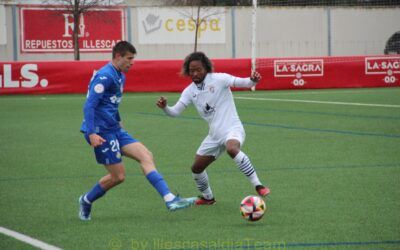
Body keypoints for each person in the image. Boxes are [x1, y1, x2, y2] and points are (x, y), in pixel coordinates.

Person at [79, 41, 196, 221]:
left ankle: (169, 199)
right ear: (118, 56)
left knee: (146, 155)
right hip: (100, 132)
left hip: (115, 129)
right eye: (129, 58)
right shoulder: (104, 76)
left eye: (133, 58)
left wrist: (119, 123)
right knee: (118, 177)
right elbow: (90, 105)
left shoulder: (120, 75)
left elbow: (111, 103)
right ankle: (86, 200)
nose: (132, 62)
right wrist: (92, 133)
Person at [156, 51, 270, 205]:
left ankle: (258, 185)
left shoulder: (220, 79)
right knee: (196, 168)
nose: (195, 73)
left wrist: (253, 80)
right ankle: (208, 197)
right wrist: (165, 108)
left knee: (232, 149)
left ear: (206, 69)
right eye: (192, 70)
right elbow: (175, 112)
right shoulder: (190, 91)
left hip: (232, 129)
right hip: (214, 136)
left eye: (198, 69)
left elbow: (245, 83)